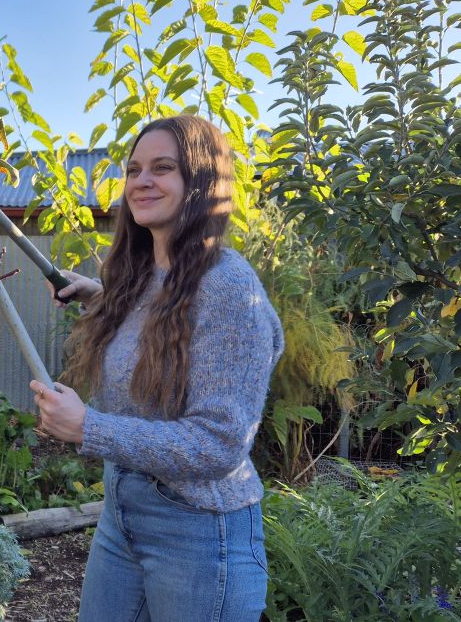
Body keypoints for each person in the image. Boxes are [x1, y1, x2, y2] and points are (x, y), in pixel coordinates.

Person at [30, 115, 285, 622]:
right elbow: (167, 326)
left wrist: (89, 427)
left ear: (202, 182)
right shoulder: (145, 277)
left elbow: (219, 443)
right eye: (134, 169)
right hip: (122, 517)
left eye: (163, 168)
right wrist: (105, 299)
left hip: (198, 532)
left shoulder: (230, 288)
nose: (142, 181)